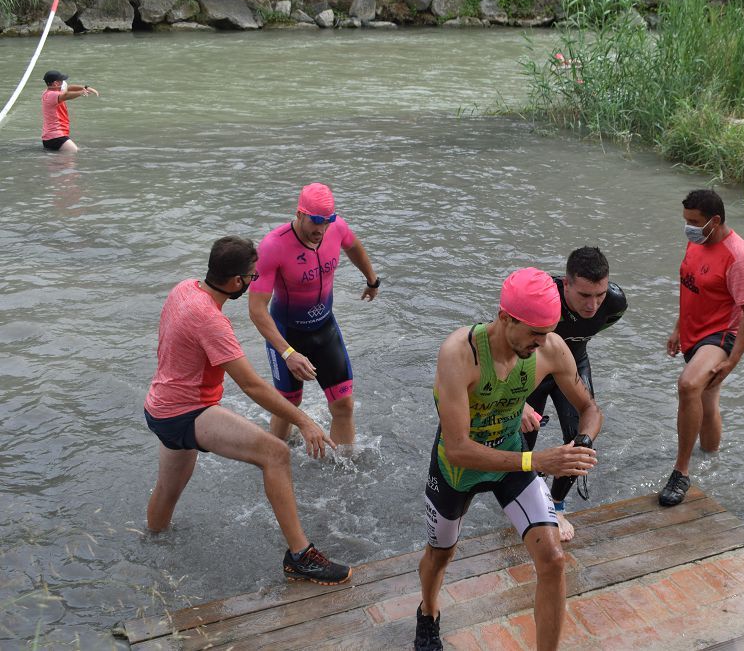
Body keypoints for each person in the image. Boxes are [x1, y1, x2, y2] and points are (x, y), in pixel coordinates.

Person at [144, 236, 352, 584]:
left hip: (160, 405)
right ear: (236, 282)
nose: (255, 282)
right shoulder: (211, 321)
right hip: (187, 412)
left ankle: (150, 552)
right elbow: (252, 385)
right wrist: (304, 421)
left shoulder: (184, 289)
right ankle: (301, 556)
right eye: (253, 277)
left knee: (167, 490)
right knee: (276, 453)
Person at [416, 268, 602, 651]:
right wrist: (537, 462)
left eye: (548, 331)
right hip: (458, 470)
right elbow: (458, 448)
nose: (542, 342)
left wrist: (580, 446)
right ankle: (429, 611)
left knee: (553, 559)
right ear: (505, 318)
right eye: (534, 332)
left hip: (513, 459)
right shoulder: (459, 353)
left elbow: (589, 408)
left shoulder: (549, 347)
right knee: (440, 554)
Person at [248, 183, 380, 446]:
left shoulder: (336, 228)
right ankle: (273, 458)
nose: (321, 229)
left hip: (325, 329)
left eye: (327, 221)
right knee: (288, 406)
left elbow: (353, 246)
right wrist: (288, 353)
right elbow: (256, 309)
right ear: (299, 214)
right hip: (288, 335)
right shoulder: (273, 246)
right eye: (315, 221)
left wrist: (372, 280)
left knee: (344, 405)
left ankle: (345, 474)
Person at [660, 190, 744, 507]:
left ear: (714, 221)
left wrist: (732, 360)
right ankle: (711, 463)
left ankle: (681, 472)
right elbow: (691, 284)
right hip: (694, 331)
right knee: (707, 399)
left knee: (689, 385)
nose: (688, 228)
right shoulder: (697, 240)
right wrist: (679, 326)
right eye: (686, 221)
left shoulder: (739, 258)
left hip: (721, 335)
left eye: (694, 222)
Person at [522, 247, 627, 542]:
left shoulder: (616, 304)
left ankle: (556, 506)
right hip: (536, 368)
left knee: (581, 440)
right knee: (522, 443)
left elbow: (597, 321)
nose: (593, 305)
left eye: (599, 294)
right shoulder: (543, 296)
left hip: (574, 365)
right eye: (584, 296)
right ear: (566, 283)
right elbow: (507, 338)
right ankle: (526, 494)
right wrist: (517, 401)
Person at [40, 70, 99, 153]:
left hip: (50, 137)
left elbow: (68, 88)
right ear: (55, 83)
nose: (63, 82)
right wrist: (81, 92)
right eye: (61, 80)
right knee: (73, 153)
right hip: (56, 136)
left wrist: (85, 87)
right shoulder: (53, 95)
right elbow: (66, 95)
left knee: (60, 161)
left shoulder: (48, 92)